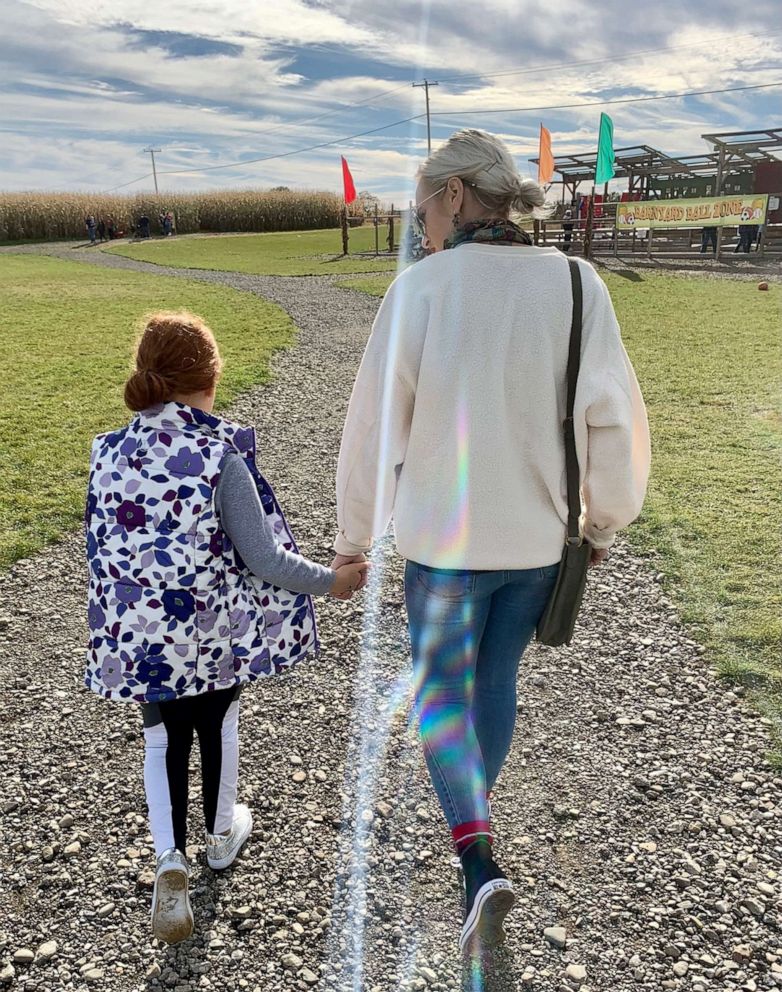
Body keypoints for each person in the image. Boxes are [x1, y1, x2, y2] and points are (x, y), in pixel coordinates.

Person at [331, 128, 651, 955]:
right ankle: (473, 819)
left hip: (441, 542)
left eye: (422, 206)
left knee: (440, 694)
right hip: (537, 542)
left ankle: (476, 859)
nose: (420, 224)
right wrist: (601, 522)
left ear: (458, 196)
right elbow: (612, 417)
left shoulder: (422, 291)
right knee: (494, 681)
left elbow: (373, 428)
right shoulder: (580, 285)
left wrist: (352, 536)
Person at [84, 312, 368, 945]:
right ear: (211, 378)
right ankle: (218, 839)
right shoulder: (217, 456)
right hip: (206, 635)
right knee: (219, 722)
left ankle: (168, 859)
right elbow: (263, 558)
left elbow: (101, 548)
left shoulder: (106, 451)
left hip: (139, 639)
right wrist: (334, 580)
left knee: (161, 740)